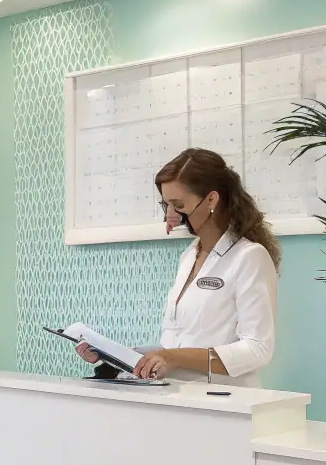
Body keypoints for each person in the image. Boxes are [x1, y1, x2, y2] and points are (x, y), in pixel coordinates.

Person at [77, 148, 281, 387]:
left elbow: (257, 349)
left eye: (178, 204)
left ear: (212, 200)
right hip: (177, 398)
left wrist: (173, 357)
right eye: (166, 206)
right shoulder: (188, 257)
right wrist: (115, 355)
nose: (171, 216)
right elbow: (175, 346)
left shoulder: (250, 257)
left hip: (226, 403)